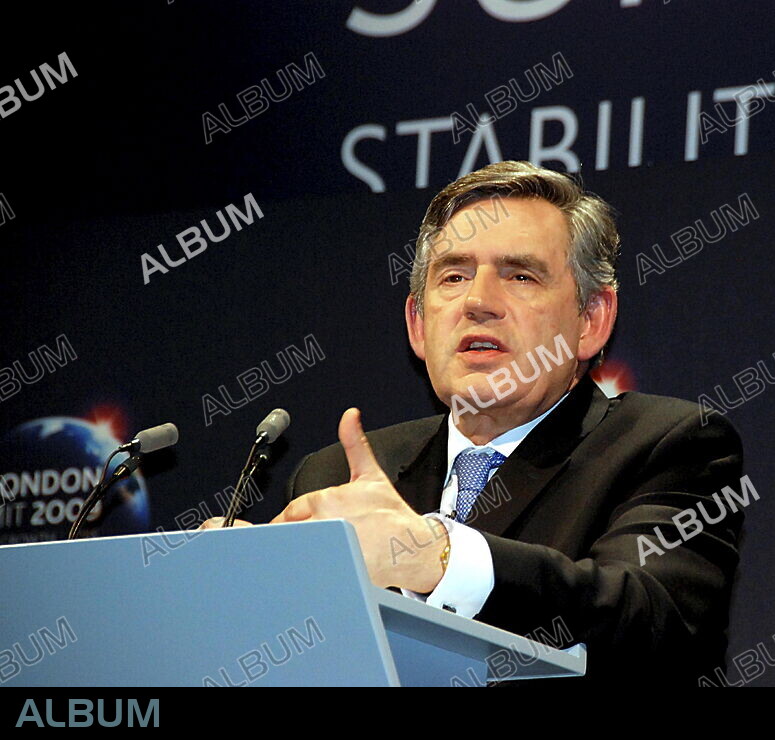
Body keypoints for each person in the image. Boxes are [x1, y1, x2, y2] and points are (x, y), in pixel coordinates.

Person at [205, 161, 744, 682]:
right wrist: (247, 601)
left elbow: (650, 620)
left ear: (591, 319)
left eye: (522, 276)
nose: (478, 302)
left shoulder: (669, 445)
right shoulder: (333, 479)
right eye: (454, 275)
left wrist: (434, 555)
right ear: (418, 324)